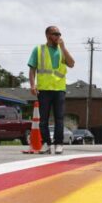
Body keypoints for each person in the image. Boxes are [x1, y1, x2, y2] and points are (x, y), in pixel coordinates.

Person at [28, 26, 75, 154]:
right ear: (48, 35)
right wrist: (32, 85)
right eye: (56, 34)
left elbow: (71, 64)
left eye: (60, 34)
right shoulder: (38, 50)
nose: (59, 36)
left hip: (59, 89)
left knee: (59, 118)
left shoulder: (61, 50)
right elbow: (32, 70)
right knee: (43, 119)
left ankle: (59, 143)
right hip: (43, 90)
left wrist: (64, 48)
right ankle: (46, 144)